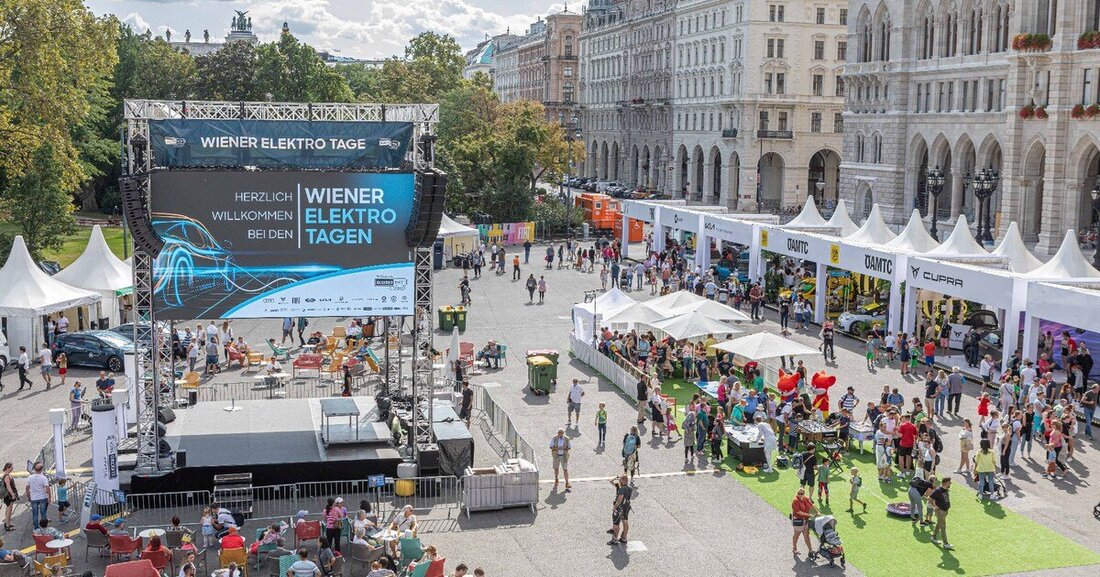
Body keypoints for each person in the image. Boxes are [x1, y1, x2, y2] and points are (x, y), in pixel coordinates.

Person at [606, 475, 633, 545]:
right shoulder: (629, 488)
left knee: (616, 524)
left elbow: (619, 500)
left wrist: (614, 508)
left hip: (619, 508)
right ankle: (624, 538)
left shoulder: (621, 489)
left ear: (621, 481)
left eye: (620, 479)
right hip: (626, 507)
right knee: (625, 522)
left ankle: (614, 539)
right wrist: (617, 478)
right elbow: (611, 481)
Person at [791, 488, 817, 555]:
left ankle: (810, 550)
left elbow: (812, 505)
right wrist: (809, 515)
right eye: (799, 493)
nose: (800, 495)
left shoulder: (806, 498)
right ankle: (794, 548)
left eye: (801, 493)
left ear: (804, 494)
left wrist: (817, 512)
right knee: (796, 535)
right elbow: (798, 512)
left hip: (805, 521)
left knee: (807, 536)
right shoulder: (795, 501)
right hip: (798, 521)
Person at [928, 477, 953, 549]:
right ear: (946, 483)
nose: (950, 483)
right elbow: (929, 498)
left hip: (944, 511)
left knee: (939, 524)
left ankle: (933, 537)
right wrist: (935, 506)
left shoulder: (945, 489)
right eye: (949, 482)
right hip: (940, 512)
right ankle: (945, 543)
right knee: (943, 527)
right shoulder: (938, 490)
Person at [26, 462, 49, 530]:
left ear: (34, 469)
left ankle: (36, 527)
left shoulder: (30, 478)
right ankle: (44, 527)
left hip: (34, 498)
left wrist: (28, 496)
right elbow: (47, 488)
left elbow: (27, 488)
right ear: (41, 470)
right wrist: (49, 497)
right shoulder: (43, 478)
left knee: (35, 513)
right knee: (43, 512)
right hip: (42, 497)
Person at [1, 463, 17, 531]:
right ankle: (8, 525)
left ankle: (7, 522)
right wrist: (12, 494)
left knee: (9, 509)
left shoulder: (7, 474)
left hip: (8, 495)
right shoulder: (7, 476)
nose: (12, 468)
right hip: (9, 496)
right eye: (11, 467)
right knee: (9, 510)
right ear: (8, 468)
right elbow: (8, 486)